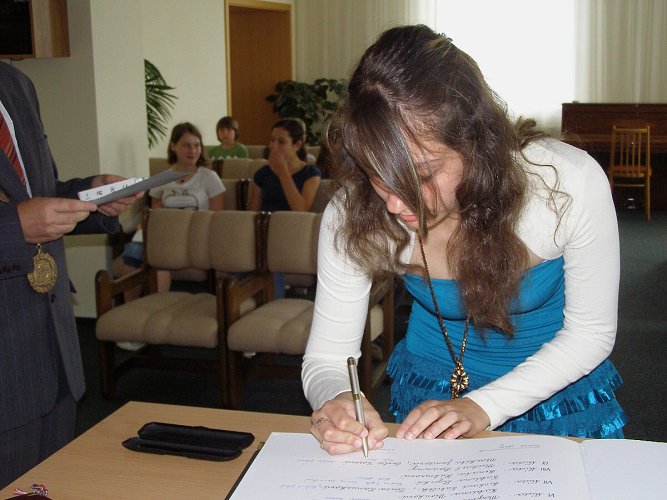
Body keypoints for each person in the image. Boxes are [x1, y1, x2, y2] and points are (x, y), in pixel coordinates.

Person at [302, 25, 626, 456]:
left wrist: (482, 406)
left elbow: (590, 334)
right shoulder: (353, 210)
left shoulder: (563, 184)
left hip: (556, 387)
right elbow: (327, 358)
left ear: (476, 143)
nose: (396, 203)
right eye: (378, 173)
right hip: (433, 394)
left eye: (423, 175)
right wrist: (337, 399)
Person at [0, 61, 140, 487]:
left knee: (48, 484)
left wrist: (92, 196)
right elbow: (20, 216)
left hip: (50, 342)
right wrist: (13, 228)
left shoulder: (15, 84)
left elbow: (35, 194)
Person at [120, 121, 224, 297]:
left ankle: (160, 303)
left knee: (160, 254)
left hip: (195, 234)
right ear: (174, 146)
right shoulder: (163, 178)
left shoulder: (209, 177)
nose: (193, 151)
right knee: (133, 253)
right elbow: (156, 211)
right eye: (186, 145)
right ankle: (130, 306)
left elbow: (217, 215)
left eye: (196, 145)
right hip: (166, 231)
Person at [248, 118, 321, 212]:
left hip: (293, 221)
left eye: (281, 142)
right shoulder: (263, 173)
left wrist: (282, 171)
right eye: (272, 140)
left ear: (297, 145)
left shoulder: (310, 173)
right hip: (267, 220)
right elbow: (253, 213)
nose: (274, 145)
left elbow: (301, 210)